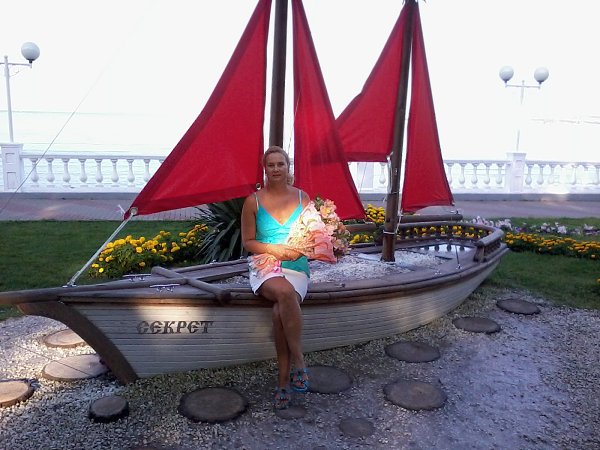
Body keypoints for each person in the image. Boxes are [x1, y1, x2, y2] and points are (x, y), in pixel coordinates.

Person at [241, 145, 310, 410]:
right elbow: (248, 241)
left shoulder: (303, 198)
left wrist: (325, 244)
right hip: (265, 264)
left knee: (279, 313)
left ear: (288, 166)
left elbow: (313, 235)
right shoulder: (253, 201)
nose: (276, 169)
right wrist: (273, 249)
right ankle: (299, 360)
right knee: (284, 292)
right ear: (265, 169)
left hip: (296, 265)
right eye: (271, 165)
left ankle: (283, 383)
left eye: (280, 164)